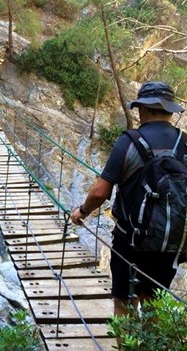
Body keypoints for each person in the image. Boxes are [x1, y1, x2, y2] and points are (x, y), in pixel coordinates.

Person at [71, 81, 187, 324]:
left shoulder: (130, 141)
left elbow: (100, 192)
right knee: (154, 308)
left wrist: (81, 212)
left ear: (142, 109)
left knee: (124, 305)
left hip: (129, 241)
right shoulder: (184, 143)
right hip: (169, 245)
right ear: (169, 110)